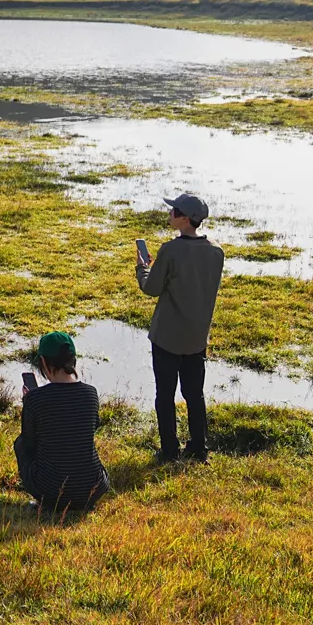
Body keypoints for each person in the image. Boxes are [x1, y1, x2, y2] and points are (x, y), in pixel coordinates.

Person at [135, 192, 224, 463]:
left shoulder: (170, 250)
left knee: (165, 395)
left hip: (166, 337)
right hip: (196, 339)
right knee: (194, 395)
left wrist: (142, 268)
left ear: (185, 219)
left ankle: (169, 451)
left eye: (174, 210)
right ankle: (199, 449)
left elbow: (151, 289)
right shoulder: (216, 252)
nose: (169, 213)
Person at [14, 331, 110, 514]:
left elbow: (28, 442)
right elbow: (92, 428)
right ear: (73, 360)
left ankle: (47, 503)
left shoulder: (36, 399)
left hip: (51, 490)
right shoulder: (91, 393)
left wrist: (28, 405)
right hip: (94, 488)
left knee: (20, 445)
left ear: (44, 363)